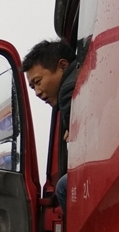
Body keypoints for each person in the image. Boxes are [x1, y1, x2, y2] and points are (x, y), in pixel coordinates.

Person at [21, 39, 78, 213]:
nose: (37, 92)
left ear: (62, 66)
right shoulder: (83, 74)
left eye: (38, 82)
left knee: (63, 187)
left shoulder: (69, 91)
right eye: (32, 87)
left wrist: (74, 133)